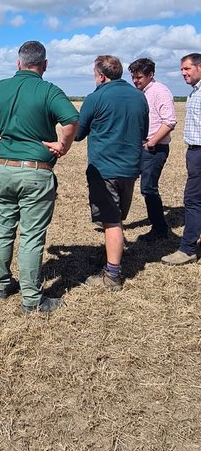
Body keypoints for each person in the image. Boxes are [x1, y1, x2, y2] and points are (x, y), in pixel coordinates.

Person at [0, 41, 78, 313]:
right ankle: (32, 299)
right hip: (36, 172)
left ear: (18, 63)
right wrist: (63, 146)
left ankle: (2, 284)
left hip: (3, 168)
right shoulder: (49, 90)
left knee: (3, 228)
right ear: (44, 65)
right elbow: (72, 121)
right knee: (32, 236)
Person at [75, 55, 148, 291]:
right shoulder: (139, 97)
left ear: (102, 75)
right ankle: (112, 254)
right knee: (118, 217)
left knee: (111, 221)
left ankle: (112, 275)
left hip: (105, 169)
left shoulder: (95, 98)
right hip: (130, 168)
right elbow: (143, 129)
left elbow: (78, 133)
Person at [128, 57, 176, 240]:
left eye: (139, 77)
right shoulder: (141, 93)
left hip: (154, 149)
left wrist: (151, 142)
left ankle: (159, 229)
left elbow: (170, 121)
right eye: (133, 77)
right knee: (126, 180)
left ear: (151, 75)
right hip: (140, 146)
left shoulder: (160, 91)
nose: (135, 80)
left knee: (148, 188)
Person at [162, 52, 201, 265]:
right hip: (194, 151)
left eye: (187, 68)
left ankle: (187, 249)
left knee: (193, 201)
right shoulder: (195, 92)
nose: (182, 73)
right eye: (181, 69)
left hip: (200, 153)